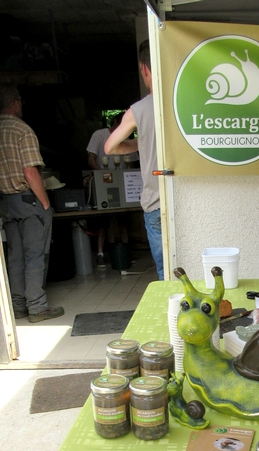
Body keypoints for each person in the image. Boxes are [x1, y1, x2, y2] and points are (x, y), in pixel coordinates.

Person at [0, 84, 64, 323]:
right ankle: (38, 307)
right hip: (28, 201)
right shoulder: (22, 130)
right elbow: (30, 171)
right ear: (16, 102)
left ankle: (18, 305)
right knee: (35, 255)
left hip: (5, 202)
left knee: (15, 256)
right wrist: (45, 203)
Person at [104, 39, 164, 280]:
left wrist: (142, 143)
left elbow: (110, 147)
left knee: (166, 276)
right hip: (188, 200)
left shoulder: (138, 110)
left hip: (156, 204)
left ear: (144, 69)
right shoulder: (188, 104)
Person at [86, 113, 138, 267]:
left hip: (123, 184)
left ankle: (126, 254)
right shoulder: (99, 135)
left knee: (124, 221)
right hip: (105, 183)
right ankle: (101, 253)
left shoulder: (128, 139)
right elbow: (91, 159)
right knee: (104, 221)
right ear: (114, 122)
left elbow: (133, 164)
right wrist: (101, 175)